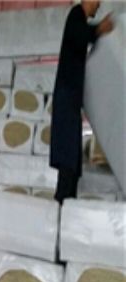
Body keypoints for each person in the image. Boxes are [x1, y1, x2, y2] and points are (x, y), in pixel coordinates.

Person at [50, 0, 114, 203]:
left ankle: (67, 201)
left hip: (71, 99)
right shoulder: (75, 15)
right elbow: (80, 35)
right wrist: (99, 29)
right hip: (66, 98)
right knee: (67, 156)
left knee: (72, 158)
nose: (98, 6)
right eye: (97, 2)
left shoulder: (79, 21)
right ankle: (62, 202)